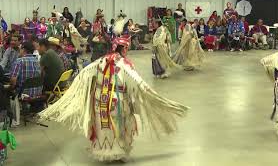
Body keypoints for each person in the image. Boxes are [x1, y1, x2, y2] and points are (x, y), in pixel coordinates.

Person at [39, 36, 188, 163]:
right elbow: (139, 84)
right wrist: (158, 100)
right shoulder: (124, 64)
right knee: (120, 127)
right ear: (123, 49)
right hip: (117, 102)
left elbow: (82, 76)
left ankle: (106, 153)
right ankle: (117, 152)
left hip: (99, 103)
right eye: (126, 49)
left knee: (104, 129)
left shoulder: (99, 62)